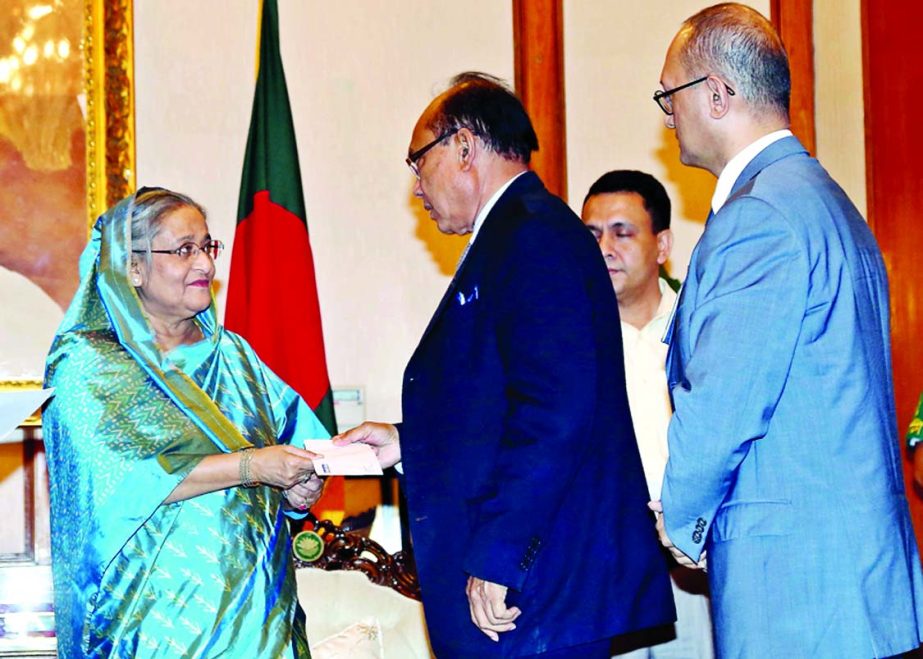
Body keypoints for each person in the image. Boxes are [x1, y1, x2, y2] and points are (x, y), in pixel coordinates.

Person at [335, 73, 675, 658]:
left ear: (464, 147)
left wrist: (499, 555)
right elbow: (499, 404)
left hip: (531, 592)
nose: (416, 186)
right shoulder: (516, 234)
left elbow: (555, 412)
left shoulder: (533, 236)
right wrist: (406, 442)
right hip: (533, 591)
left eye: (419, 161)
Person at [650, 4, 923, 656]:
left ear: (716, 93)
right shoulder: (828, 202)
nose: (665, 114)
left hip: (798, 601)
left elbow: (720, 406)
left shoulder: (759, 217)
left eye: (669, 94)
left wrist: (680, 518)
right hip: (859, 590)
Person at [43, 187, 328, 658]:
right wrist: (254, 466)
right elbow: (124, 479)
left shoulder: (234, 356)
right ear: (131, 266)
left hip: (257, 620)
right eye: (183, 250)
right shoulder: (89, 363)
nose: (206, 266)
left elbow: (300, 448)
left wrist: (300, 489)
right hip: (153, 623)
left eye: (207, 247)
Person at [582, 170, 714, 658]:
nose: (604, 248)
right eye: (592, 234)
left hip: (692, 564)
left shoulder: (702, 330)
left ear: (662, 245)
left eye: (622, 232)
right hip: (604, 566)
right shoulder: (566, 342)